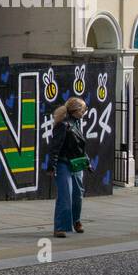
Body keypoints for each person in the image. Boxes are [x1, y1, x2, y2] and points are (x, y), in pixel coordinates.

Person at [47, 96, 89, 238]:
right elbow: (55, 147)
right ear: (76, 110)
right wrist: (52, 165)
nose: (85, 112)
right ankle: (60, 227)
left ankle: (76, 220)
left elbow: (79, 145)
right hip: (63, 163)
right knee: (65, 196)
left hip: (76, 163)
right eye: (83, 109)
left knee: (78, 195)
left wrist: (87, 161)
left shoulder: (76, 123)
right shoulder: (63, 125)